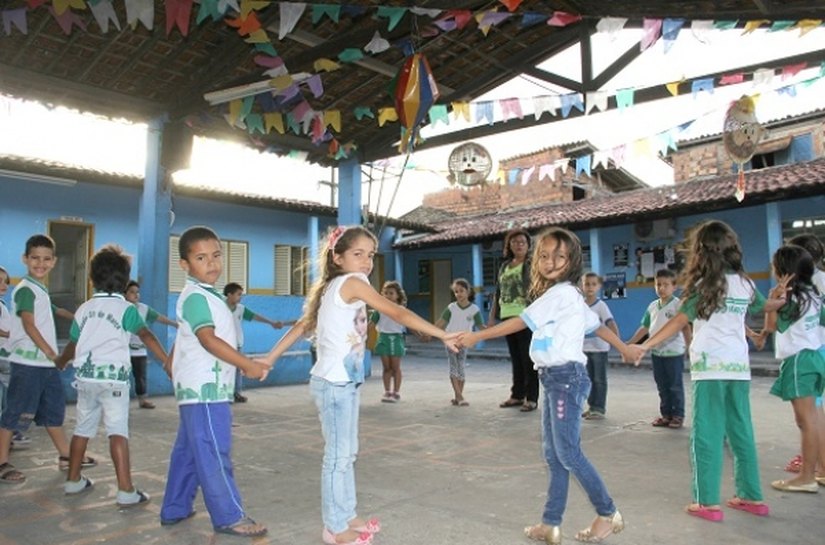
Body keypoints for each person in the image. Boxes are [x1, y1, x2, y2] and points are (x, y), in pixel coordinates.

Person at [261, 225, 459, 545]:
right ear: (338, 258)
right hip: (335, 384)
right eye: (358, 254)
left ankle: (348, 514)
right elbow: (394, 310)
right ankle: (334, 528)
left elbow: (302, 326)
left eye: (370, 255)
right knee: (338, 457)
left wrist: (270, 359)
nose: (367, 261)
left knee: (348, 453)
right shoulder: (351, 282)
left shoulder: (334, 286)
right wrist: (442, 334)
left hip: (344, 383)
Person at [459, 227, 640, 544]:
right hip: (554, 378)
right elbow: (597, 327)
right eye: (543, 255)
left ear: (572, 261)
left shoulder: (560, 294)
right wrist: (624, 348)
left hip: (565, 379)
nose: (550, 261)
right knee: (554, 456)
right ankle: (551, 523)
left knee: (568, 453)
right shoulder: (567, 296)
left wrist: (476, 336)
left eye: (559, 255)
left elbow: (520, 322)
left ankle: (608, 513)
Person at [635, 220, 785, 521]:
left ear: (701, 252)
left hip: (709, 368)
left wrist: (644, 345)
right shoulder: (745, 284)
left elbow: (677, 322)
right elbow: (765, 306)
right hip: (738, 369)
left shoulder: (703, 286)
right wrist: (781, 296)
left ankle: (707, 503)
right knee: (741, 430)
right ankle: (751, 496)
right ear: (732, 249)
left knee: (707, 433)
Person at [159, 226, 270, 537]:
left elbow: (185, 333)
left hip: (199, 388)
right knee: (212, 450)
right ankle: (229, 516)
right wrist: (247, 364)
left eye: (216, 255)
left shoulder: (206, 296)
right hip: (204, 388)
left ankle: (175, 507)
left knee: (189, 449)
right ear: (185, 265)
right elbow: (207, 340)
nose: (212, 263)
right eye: (201, 257)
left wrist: (171, 360)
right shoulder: (197, 297)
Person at [54, 245, 168, 505]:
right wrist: (167, 361)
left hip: (85, 379)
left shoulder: (83, 309)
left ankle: (73, 481)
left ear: (92, 279)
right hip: (114, 381)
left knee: (82, 429)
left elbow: (72, 343)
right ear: (125, 281)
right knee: (117, 431)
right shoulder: (126, 310)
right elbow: (146, 335)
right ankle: (126, 490)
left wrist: (61, 361)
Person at [0, 235, 84, 484]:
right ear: (25, 259)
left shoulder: (40, 289)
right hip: (28, 364)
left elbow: (56, 309)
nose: (41, 263)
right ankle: (2, 461)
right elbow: (28, 323)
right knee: (14, 412)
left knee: (53, 411)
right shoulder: (26, 289)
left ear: (54, 261)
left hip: (45, 366)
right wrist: (51, 353)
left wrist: (80, 317)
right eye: (35, 258)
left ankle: (67, 456)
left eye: (46, 259)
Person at [760, 245, 825, 492]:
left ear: (784, 271)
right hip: (815, 358)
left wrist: (775, 298)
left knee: (806, 421)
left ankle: (806, 476)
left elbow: (772, 326)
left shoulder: (789, 299)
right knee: (814, 418)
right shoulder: (813, 294)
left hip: (799, 361)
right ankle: (820, 471)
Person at [781, 233, 825, 475]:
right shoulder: (819, 281)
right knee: (815, 411)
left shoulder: (808, 286)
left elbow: (777, 324)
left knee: (810, 415)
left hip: (811, 349)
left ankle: (813, 467)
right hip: (816, 348)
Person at [626, 268, 692, 429]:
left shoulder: (678, 305)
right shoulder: (652, 306)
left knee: (674, 385)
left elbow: (685, 327)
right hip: (657, 353)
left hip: (674, 352)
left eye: (666, 285)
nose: (661, 288)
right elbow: (645, 328)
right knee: (662, 385)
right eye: (658, 284)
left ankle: (678, 415)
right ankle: (666, 414)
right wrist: (630, 343)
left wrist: (690, 345)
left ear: (674, 287)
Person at [488, 228, 538, 412]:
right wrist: (492, 317)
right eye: (515, 241)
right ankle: (517, 395)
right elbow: (498, 293)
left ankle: (532, 398)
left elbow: (538, 289)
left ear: (528, 246)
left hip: (525, 317)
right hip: (507, 316)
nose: (518, 245)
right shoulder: (504, 266)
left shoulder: (532, 264)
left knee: (528, 358)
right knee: (516, 358)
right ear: (509, 245)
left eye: (522, 242)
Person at [223, 282, 284, 403]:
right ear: (229, 295)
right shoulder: (219, 307)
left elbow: (255, 316)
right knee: (224, 369)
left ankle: (236, 393)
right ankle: (224, 393)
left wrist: (271, 322)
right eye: (238, 294)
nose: (241, 297)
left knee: (238, 370)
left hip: (237, 343)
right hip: (223, 344)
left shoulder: (240, 309)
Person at [124, 279, 177, 409]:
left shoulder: (143, 309)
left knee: (141, 377)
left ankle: (142, 400)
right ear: (125, 294)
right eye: (132, 292)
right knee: (122, 377)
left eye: (137, 292)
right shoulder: (121, 308)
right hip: (123, 350)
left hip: (140, 350)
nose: (136, 295)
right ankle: (120, 400)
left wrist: (174, 324)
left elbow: (159, 317)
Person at [433, 278, 485, 406]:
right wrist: (430, 331)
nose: (459, 294)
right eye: (456, 292)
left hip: (464, 343)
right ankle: (459, 396)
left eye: (461, 291)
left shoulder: (474, 309)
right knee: (453, 368)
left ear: (468, 291)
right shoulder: (451, 308)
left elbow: (481, 326)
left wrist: (496, 331)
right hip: (451, 342)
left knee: (461, 368)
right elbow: (441, 322)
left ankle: (458, 397)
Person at [581, 272, 619, 420]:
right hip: (583, 349)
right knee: (588, 379)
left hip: (599, 348)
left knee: (599, 379)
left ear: (599, 287)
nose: (590, 287)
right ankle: (592, 407)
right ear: (582, 286)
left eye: (593, 284)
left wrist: (618, 342)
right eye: (587, 284)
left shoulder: (601, 305)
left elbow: (610, 323)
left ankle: (599, 408)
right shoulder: (579, 305)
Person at [370, 280, 409, 402]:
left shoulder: (401, 309)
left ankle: (396, 392)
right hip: (383, 339)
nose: (387, 296)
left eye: (391, 293)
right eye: (385, 293)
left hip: (396, 339)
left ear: (398, 295)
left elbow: (411, 323)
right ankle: (387, 391)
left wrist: (421, 333)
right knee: (386, 368)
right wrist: (359, 335)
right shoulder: (379, 310)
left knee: (395, 367)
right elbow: (371, 324)